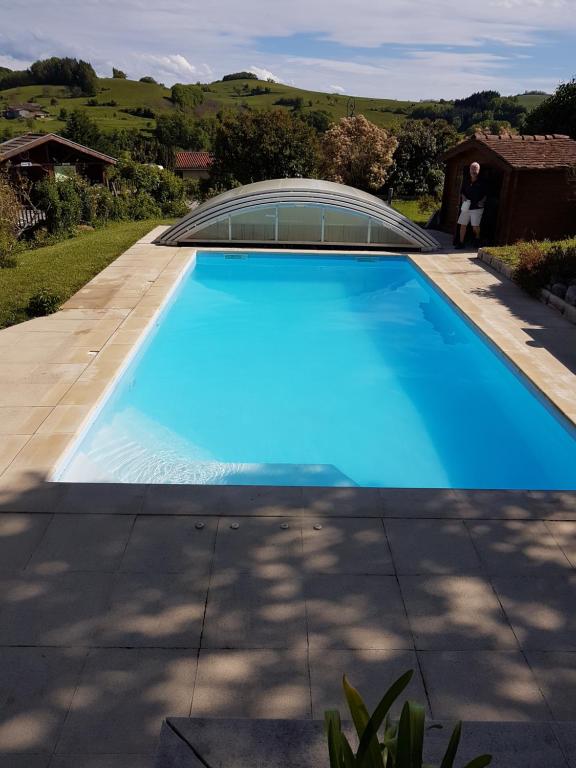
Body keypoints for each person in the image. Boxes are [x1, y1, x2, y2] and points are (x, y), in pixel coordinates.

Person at [456, 161, 486, 249]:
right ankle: (461, 243)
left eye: (475, 169)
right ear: (469, 170)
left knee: (475, 226)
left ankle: (477, 239)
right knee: (463, 224)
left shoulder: (482, 182)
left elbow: (486, 194)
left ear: (478, 170)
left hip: (477, 207)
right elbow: (462, 192)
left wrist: (482, 201)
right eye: (472, 169)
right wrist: (463, 197)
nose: (474, 171)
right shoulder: (466, 180)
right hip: (466, 206)